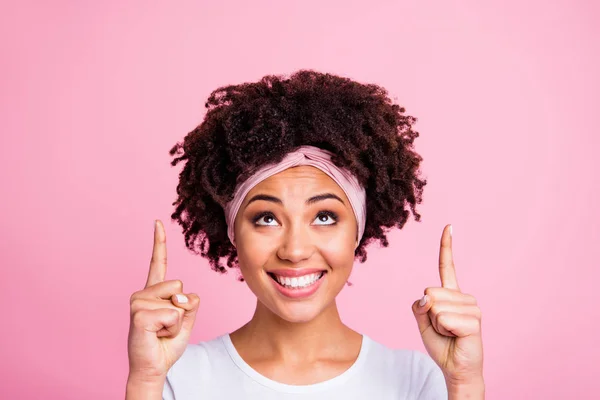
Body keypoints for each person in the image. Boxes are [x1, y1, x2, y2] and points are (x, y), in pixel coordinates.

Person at [126, 70, 485, 399]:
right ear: (233, 232)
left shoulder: (418, 381)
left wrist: (465, 383)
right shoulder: (176, 378)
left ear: (357, 231)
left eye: (325, 217)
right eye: (266, 218)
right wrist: (144, 380)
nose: (295, 251)